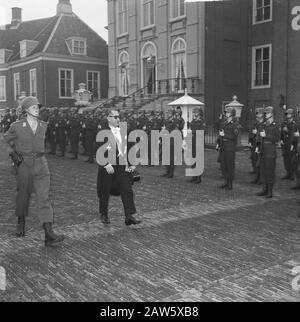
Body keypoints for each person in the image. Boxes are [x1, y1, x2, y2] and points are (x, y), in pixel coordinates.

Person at [2, 96, 65, 246]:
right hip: (24, 164)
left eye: (38, 107)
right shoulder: (16, 126)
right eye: (34, 107)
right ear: (26, 110)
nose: (37, 109)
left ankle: (48, 232)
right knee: (23, 195)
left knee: (44, 197)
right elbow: (4, 141)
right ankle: (21, 222)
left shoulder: (44, 125)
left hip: (41, 164)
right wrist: (12, 153)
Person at [96, 109, 142, 226]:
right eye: (114, 117)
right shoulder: (102, 131)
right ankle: (104, 214)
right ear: (108, 118)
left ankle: (129, 216)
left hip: (122, 165)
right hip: (108, 166)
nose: (117, 119)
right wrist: (106, 164)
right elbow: (98, 149)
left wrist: (132, 163)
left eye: (118, 117)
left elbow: (130, 146)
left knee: (127, 189)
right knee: (105, 191)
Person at [256, 106, 280, 198]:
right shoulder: (263, 124)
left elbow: (277, 139)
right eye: (265, 113)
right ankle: (264, 189)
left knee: (270, 171)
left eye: (268, 113)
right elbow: (259, 135)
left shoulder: (275, 125)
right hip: (263, 150)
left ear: (272, 114)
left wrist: (266, 136)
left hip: (270, 150)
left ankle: (270, 191)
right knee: (263, 170)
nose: (266, 115)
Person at [217, 106, 239, 190]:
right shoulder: (224, 122)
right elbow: (220, 132)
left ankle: (230, 184)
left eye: (228, 112)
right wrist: (218, 142)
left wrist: (225, 135)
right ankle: (225, 181)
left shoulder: (235, 124)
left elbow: (234, 136)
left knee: (230, 165)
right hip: (223, 146)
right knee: (224, 165)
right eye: (226, 112)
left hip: (230, 147)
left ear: (232, 114)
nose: (226, 114)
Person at [248, 107, 265, 184]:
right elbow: (250, 132)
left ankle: (261, 178)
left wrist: (257, 132)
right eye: (257, 113)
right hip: (254, 143)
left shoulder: (264, 123)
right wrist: (250, 141)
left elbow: (263, 134)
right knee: (254, 159)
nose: (258, 115)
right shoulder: (254, 122)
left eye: (259, 113)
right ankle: (257, 176)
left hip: (261, 144)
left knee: (260, 161)